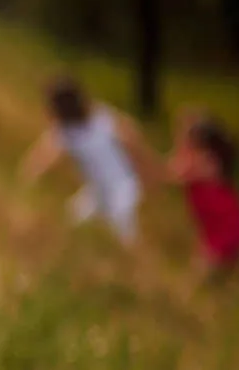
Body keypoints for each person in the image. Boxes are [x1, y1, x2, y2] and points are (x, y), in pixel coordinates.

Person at [20, 77, 156, 247]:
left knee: (124, 237)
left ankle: (134, 266)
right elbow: (43, 155)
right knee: (74, 220)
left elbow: (130, 135)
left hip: (121, 188)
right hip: (98, 190)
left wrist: (146, 170)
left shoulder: (92, 120)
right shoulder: (84, 122)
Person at [168, 109, 239, 282]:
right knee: (204, 266)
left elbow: (174, 172)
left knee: (200, 273)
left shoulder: (205, 163)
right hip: (214, 226)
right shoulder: (199, 159)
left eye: (188, 144)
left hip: (225, 226)